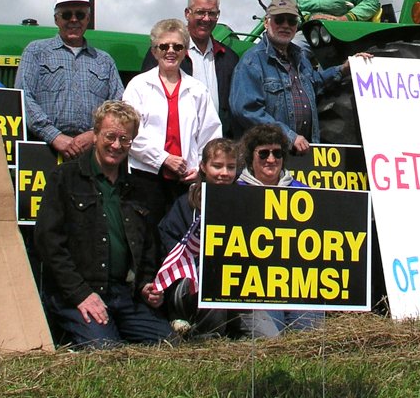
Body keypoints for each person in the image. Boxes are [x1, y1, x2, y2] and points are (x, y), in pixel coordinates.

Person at [34, 101, 170, 348]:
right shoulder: (64, 178)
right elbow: (48, 243)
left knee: (168, 344)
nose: (116, 145)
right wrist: (80, 294)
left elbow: (149, 245)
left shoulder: (138, 189)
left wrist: (146, 285)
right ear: (95, 134)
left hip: (124, 294)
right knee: (107, 352)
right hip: (78, 293)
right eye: (110, 136)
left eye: (124, 139)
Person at [157, 137, 279, 339]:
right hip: (191, 285)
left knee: (270, 339)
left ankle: (233, 332)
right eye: (217, 166)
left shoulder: (246, 202)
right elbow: (171, 254)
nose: (224, 173)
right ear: (203, 167)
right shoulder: (185, 204)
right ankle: (206, 340)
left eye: (230, 167)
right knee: (214, 278)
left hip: (240, 287)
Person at [230, 0, 359, 154]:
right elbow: (247, 111)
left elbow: (314, 83)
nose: (285, 25)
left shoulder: (300, 57)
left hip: (302, 155)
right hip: (269, 156)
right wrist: (289, 136)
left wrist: (343, 69)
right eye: (279, 20)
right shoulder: (252, 62)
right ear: (266, 22)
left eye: (291, 21)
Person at [124, 18, 221, 222]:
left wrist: (200, 169)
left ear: (185, 51)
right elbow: (129, 134)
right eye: (164, 46)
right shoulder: (138, 86)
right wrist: (163, 159)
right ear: (154, 51)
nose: (170, 51)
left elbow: (210, 135)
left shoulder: (198, 89)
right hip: (146, 177)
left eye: (177, 46)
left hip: (186, 180)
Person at [17, 0, 124, 159]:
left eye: (80, 14)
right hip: (44, 149)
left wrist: (94, 134)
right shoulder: (36, 51)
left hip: (91, 152)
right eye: (67, 14)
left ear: (88, 19)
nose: (73, 20)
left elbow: (117, 105)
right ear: (56, 19)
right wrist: (54, 136)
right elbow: (23, 97)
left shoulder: (104, 60)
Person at [236, 124, 319, 332]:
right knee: (270, 340)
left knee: (309, 340)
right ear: (251, 157)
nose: (271, 160)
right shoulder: (234, 194)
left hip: (298, 284)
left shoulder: (304, 193)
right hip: (255, 286)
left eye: (277, 153)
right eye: (263, 153)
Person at [139, 0, 239, 137]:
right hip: (174, 145)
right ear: (187, 13)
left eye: (212, 13)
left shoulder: (229, 58)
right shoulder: (164, 52)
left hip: (216, 144)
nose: (206, 19)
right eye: (200, 12)